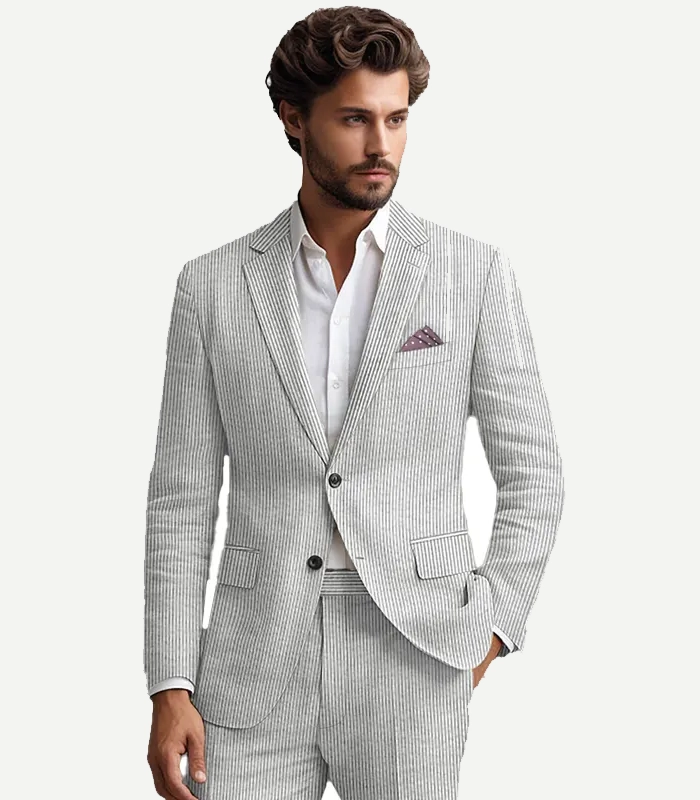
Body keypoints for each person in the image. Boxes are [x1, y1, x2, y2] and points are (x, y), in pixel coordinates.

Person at [144, 6, 565, 799]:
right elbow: (181, 500)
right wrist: (170, 682)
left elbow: (535, 474)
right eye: (354, 119)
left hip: (416, 649)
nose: (381, 146)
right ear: (293, 119)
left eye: (396, 119)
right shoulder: (212, 286)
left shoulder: (471, 274)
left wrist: (490, 627)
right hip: (250, 662)